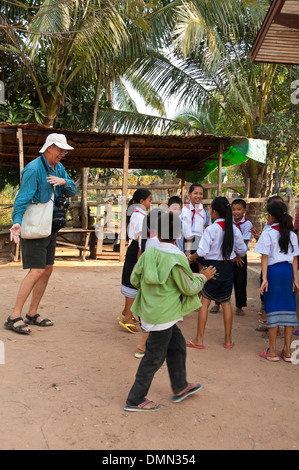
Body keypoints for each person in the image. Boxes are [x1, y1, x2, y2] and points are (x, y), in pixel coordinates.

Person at [123, 212, 216, 411]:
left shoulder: (149, 253)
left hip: (151, 311)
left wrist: (151, 291)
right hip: (164, 315)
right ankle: (135, 399)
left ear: (156, 233)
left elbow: (134, 279)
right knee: (154, 357)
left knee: (178, 345)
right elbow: (189, 287)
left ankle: (180, 386)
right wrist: (203, 277)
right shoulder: (177, 258)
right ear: (179, 233)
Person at [5, 133, 77, 335]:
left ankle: (32, 313)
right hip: (36, 226)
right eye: (60, 150)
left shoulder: (58, 167)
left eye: (64, 151)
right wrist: (17, 222)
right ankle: (14, 316)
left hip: (50, 226)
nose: (63, 154)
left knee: (47, 269)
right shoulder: (34, 169)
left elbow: (73, 189)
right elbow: (22, 198)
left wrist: (64, 182)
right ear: (49, 148)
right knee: (36, 270)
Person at [187, 196, 247, 349]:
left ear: (214, 212)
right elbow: (243, 250)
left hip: (211, 269)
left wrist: (190, 257)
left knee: (205, 302)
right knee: (226, 303)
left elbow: (202, 251)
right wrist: (235, 255)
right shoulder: (234, 229)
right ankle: (228, 340)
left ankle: (199, 340)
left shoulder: (211, 229)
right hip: (227, 268)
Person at [254, 201, 299, 362]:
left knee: (272, 309)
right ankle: (287, 351)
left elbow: (264, 257)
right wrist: (295, 280)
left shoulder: (267, 233)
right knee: (289, 309)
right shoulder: (292, 234)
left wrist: (264, 278)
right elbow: (294, 259)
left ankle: (272, 351)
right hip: (287, 274)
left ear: (271, 216)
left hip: (273, 273)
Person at [119, 188, 152, 334]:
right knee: (133, 281)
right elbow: (140, 237)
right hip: (138, 250)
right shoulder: (140, 216)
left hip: (137, 249)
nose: (150, 203)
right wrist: (141, 257)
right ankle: (127, 316)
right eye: (149, 200)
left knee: (132, 280)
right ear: (141, 201)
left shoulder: (139, 214)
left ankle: (127, 311)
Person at [181, 183, 211, 272]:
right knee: (186, 269)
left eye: (201, 194)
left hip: (200, 242)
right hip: (187, 242)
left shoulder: (205, 212)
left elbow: (208, 228)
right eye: (195, 193)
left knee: (201, 269)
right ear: (190, 194)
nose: (198, 196)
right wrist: (188, 250)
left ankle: (202, 285)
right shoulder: (184, 211)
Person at [231, 198, 253, 315]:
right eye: (234, 209)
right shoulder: (229, 222)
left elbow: (243, 240)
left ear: (244, 210)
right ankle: (218, 303)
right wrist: (233, 255)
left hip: (241, 256)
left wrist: (238, 255)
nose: (236, 212)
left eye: (239, 209)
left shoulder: (247, 224)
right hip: (229, 255)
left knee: (240, 280)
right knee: (225, 279)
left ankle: (239, 305)